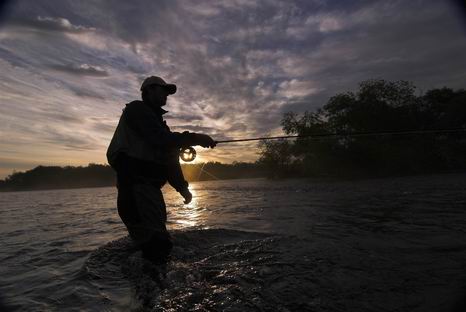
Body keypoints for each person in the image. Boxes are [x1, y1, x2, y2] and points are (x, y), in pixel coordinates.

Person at [106, 76, 216, 263]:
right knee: (158, 247)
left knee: (154, 247)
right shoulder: (136, 109)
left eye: (168, 92)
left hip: (150, 194)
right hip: (136, 190)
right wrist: (197, 138)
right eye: (162, 90)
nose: (166, 95)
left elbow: (170, 161)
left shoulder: (159, 125)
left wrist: (182, 188)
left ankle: (150, 286)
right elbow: (160, 139)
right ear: (148, 90)